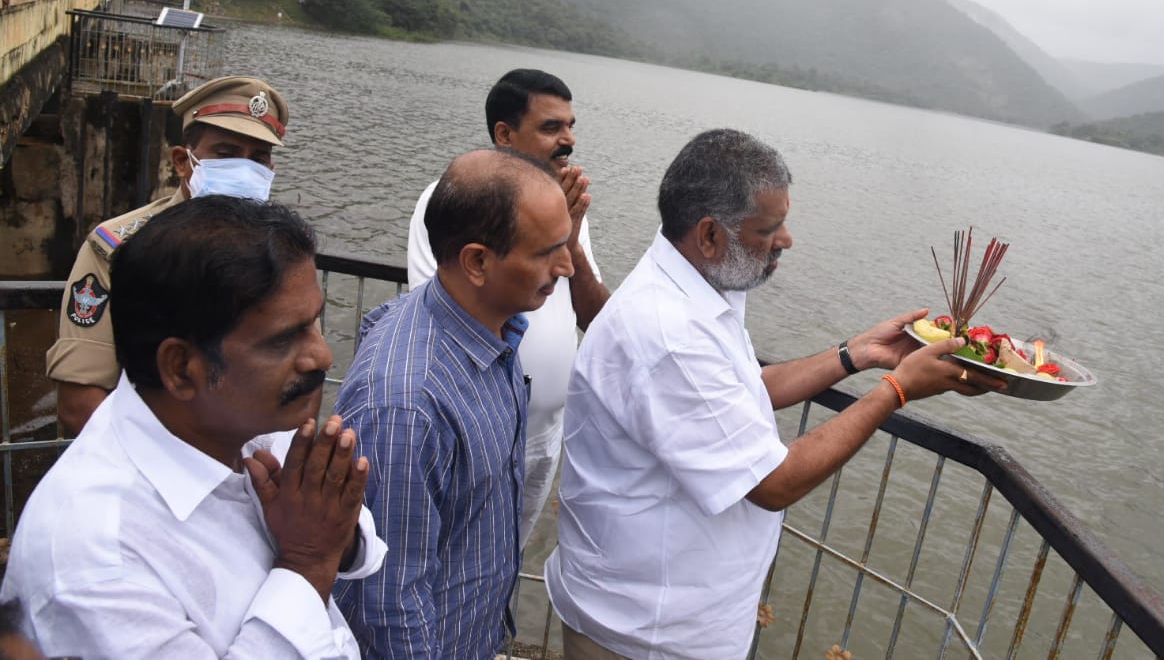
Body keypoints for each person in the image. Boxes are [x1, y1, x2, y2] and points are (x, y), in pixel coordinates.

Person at [544, 128, 1007, 659]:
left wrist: (857, 354)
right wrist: (897, 389)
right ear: (711, 235)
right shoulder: (669, 333)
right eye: (769, 228)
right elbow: (773, 482)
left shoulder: (697, 283)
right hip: (644, 634)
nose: (786, 240)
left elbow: (744, 391)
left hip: (671, 617)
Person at [0, 196, 388, 657]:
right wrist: (308, 562)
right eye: (285, 338)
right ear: (182, 368)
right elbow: (316, 551)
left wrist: (332, 534)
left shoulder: (245, 421)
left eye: (316, 323)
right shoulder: (94, 558)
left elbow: (350, 542)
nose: (322, 356)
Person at [337, 148, 575, 659]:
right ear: (477, 261)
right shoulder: (408, 405)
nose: (567, 265)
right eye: (546, 252)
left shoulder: (494, 333)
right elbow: (388, 600)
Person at [405, 68, 609, 547]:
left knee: (503, 562)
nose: (568, 141)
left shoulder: (564, 208)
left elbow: (596, 319)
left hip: (543, 433)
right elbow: (446, 316)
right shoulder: (452, 200)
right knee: (452, 555)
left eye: (570, 126)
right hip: (481, 429)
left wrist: (572, 243)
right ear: (504, 134)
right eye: (551, 128)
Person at [47, 75, 289, 435]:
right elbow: (80, 403)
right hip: (141, 469)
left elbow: (293, 384)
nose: (244, 170)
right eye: (225, 154)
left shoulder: (283, 258)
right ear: (183, 162)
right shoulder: (117, 250)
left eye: (258, 159)